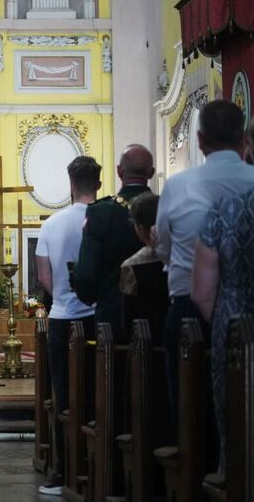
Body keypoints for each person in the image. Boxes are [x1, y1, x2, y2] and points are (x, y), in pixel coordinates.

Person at [155, 100, 254, 430]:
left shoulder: (178, 186)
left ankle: (192, 471)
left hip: (189, 312)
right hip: (250, 308)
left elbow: (164, 248)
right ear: (244, 140)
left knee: (189, 409)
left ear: (199, 140)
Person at [36, 155, 101, 496]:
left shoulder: (51, 224)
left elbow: (44, 277)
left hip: (62, 318)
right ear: (100, 184)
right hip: (97, 319)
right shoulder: (105, 219)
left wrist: (64, 296)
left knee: (63, 394)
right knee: (100, 390)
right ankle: (99, 468)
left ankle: (62, 471)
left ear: (71, 185)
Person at [192, 186, 254, 473]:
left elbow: (202, 292)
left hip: (236, 324)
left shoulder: (227, 207)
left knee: (237, 420)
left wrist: (226, 331)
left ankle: (233, 479)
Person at [70, 144, 155, 338]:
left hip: (113, 320)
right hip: (156, 318)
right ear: (151, 172)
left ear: (119, 171)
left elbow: (86, 275)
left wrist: (88, 296)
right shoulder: (165, 208)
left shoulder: (101, 212)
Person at [120, 193, 168, 346]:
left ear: (140, 228)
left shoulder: (132, 265)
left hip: (145, 341)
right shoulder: (181, 255)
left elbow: (128, 316)